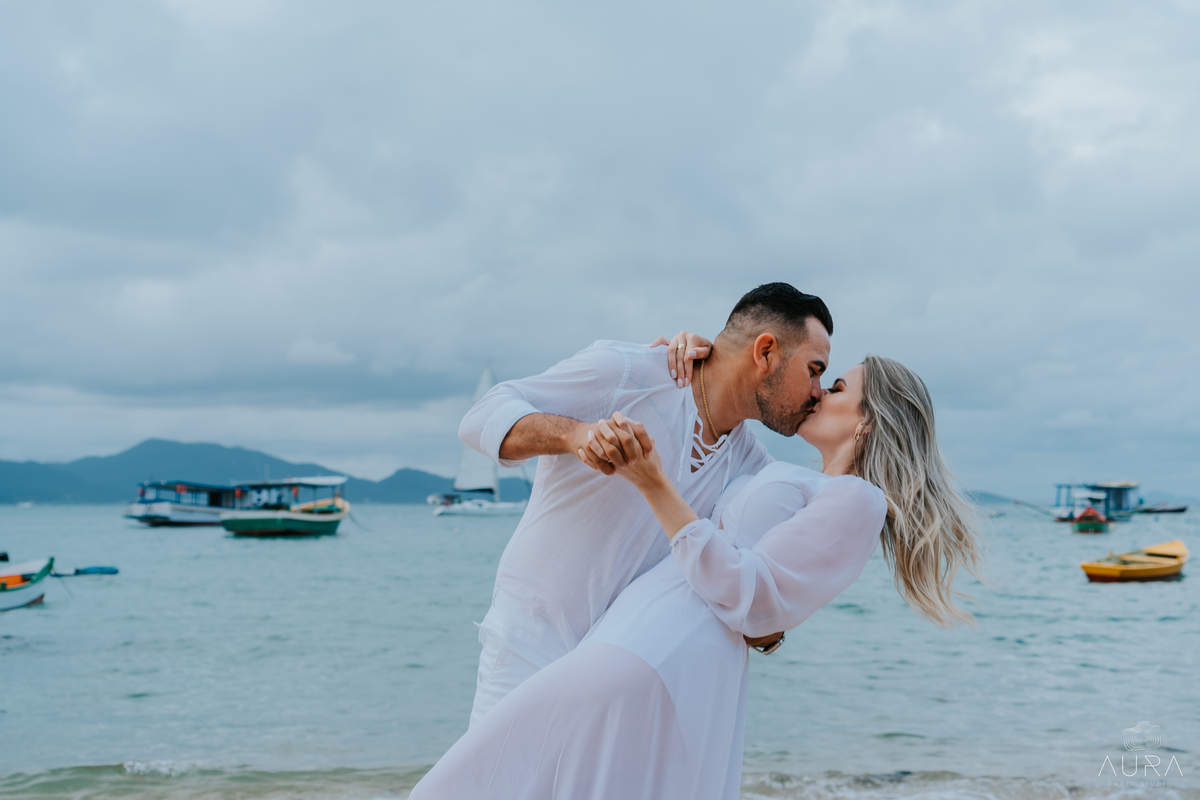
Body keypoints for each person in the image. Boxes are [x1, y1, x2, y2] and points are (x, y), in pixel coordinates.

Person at [410, 355, 984, 799]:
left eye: (837, 388)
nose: (819, 390)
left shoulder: (859, 502)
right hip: (636, 643)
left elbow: (755, 601)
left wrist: (652, 482)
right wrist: (690, 354)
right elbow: (716, 432)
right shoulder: (780, 473)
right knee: (502, 774)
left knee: (487, 776)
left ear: (867, 423)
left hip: (655, 654)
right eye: (820, 375)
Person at [458, 283, 835, 725]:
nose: (818, 391)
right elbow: (481, 417)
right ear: (765, 351)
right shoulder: (629, 371)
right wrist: (575, 435)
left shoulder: (752, 466)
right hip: (527, 645)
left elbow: (760, 587)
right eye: (814, 370)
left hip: (618, 681)